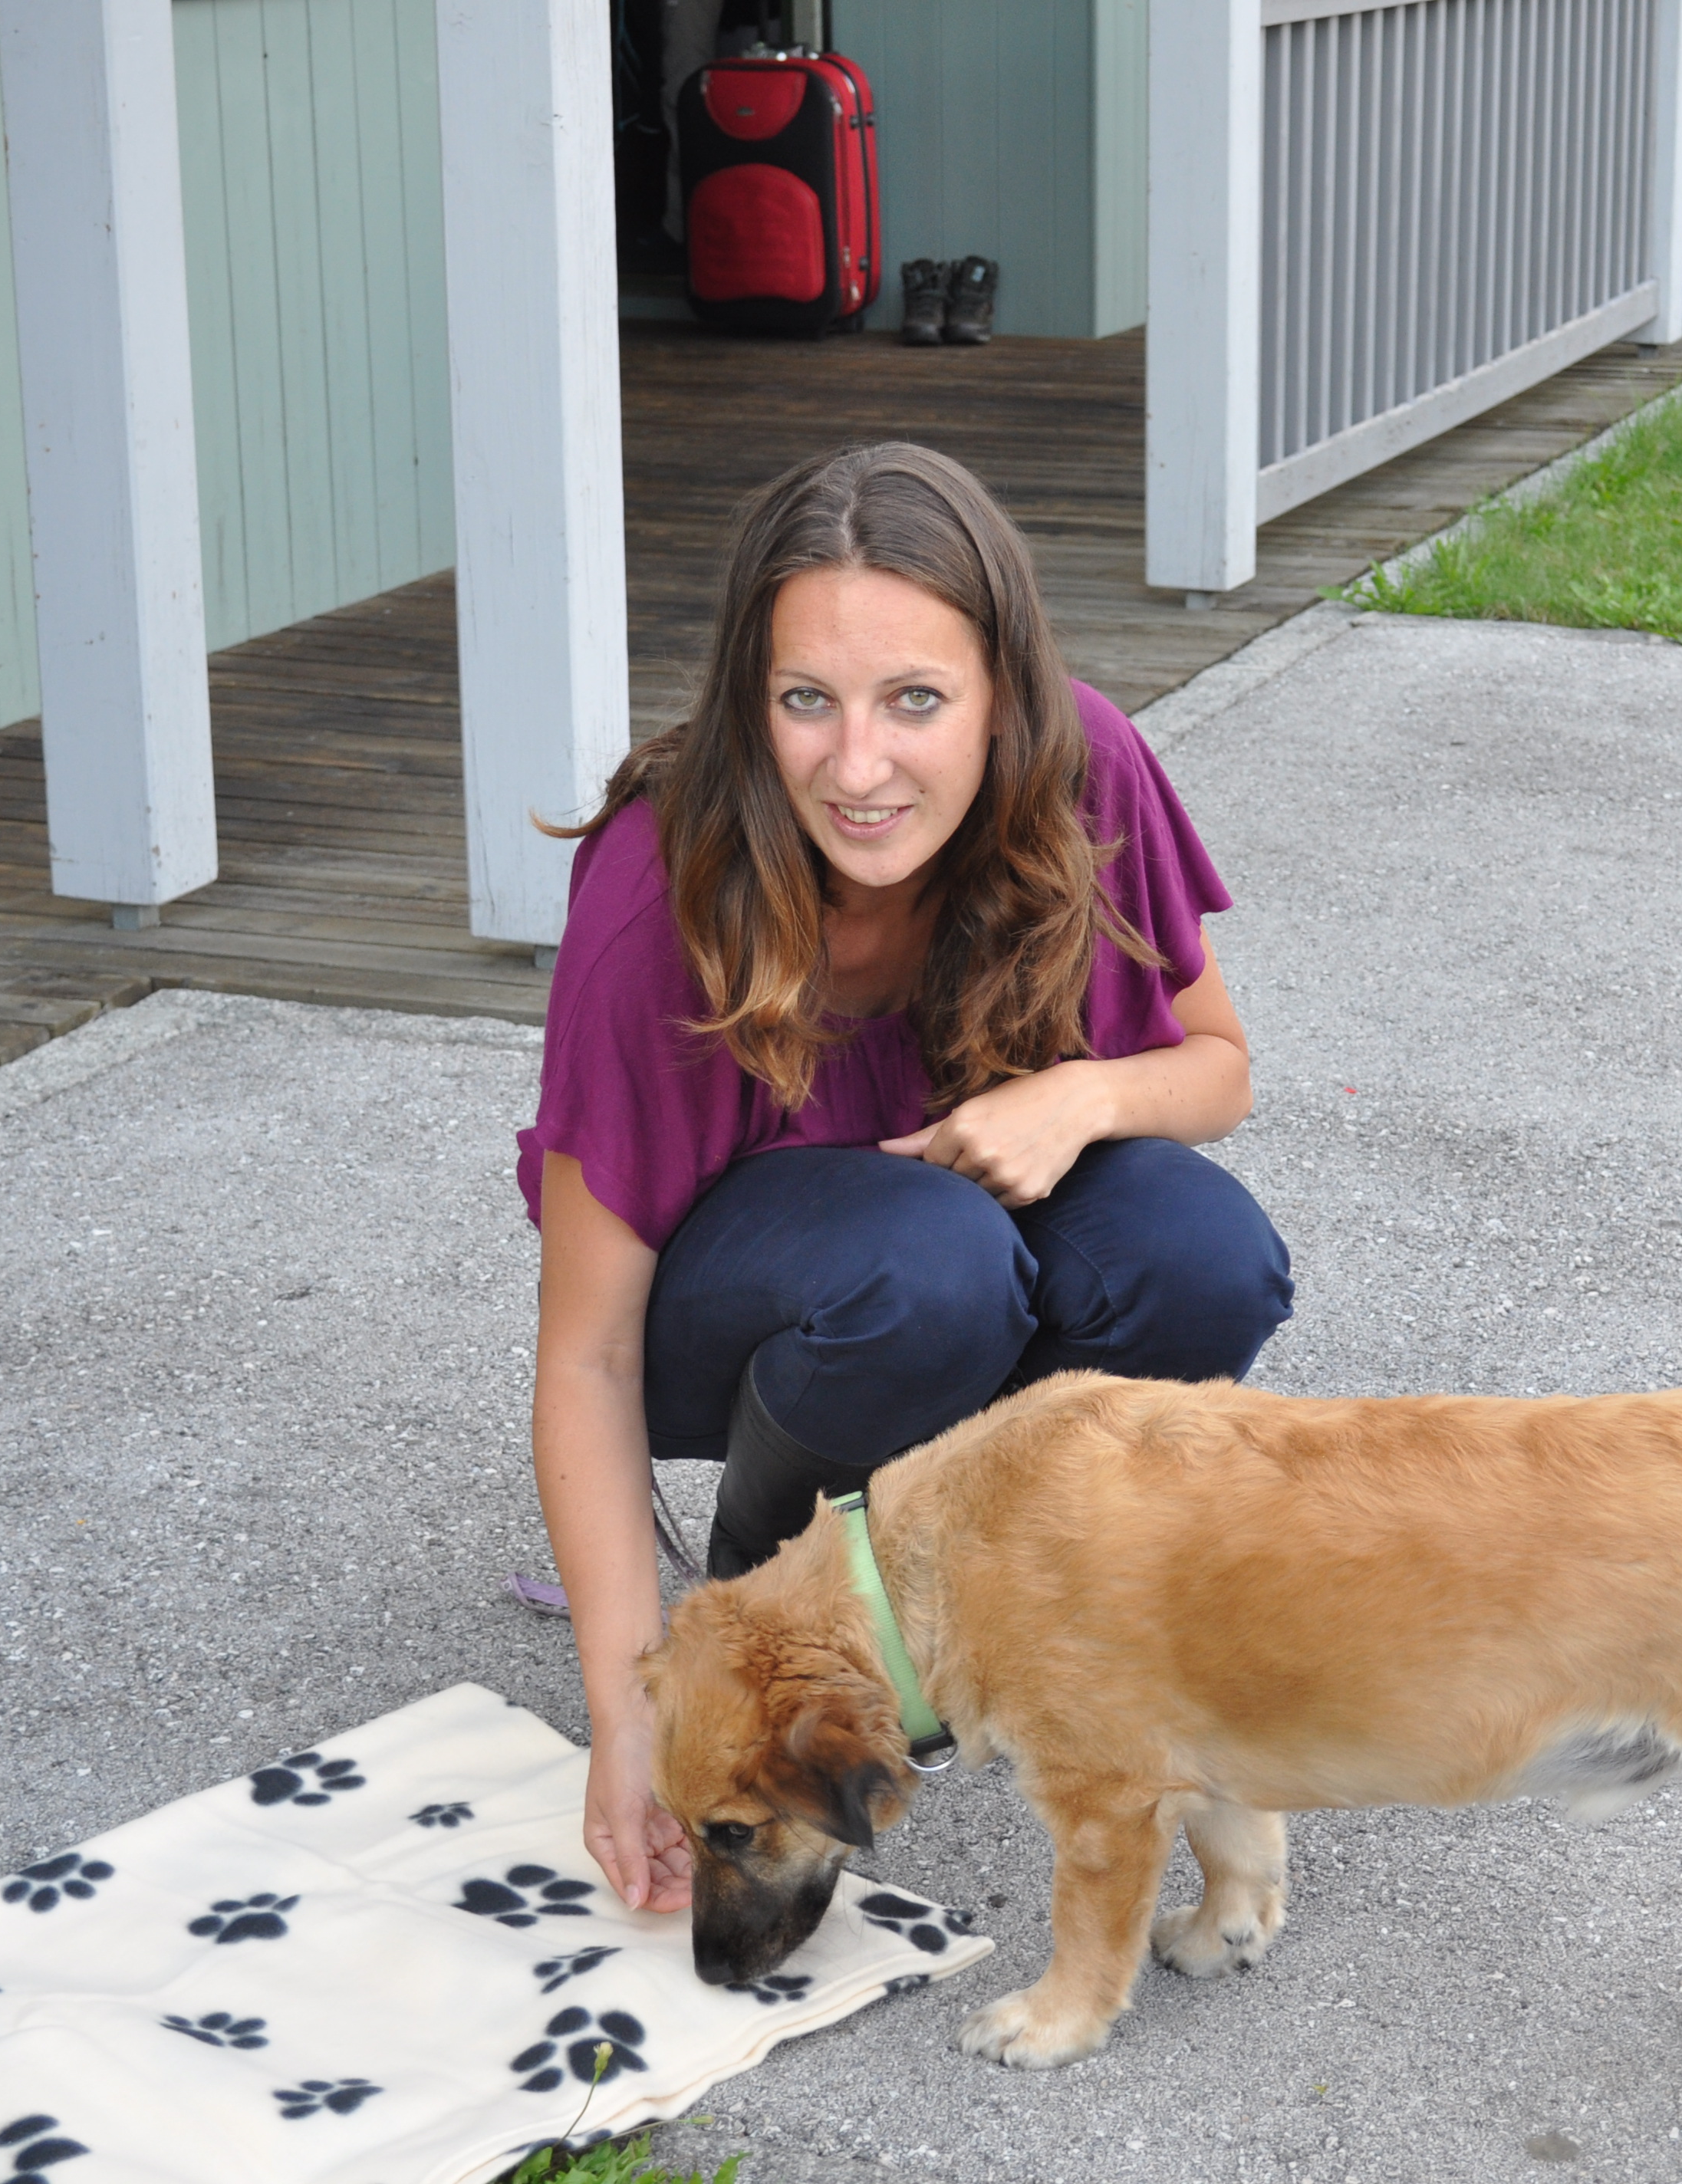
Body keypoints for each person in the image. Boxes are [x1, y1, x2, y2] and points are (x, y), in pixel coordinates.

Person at [515, 442, 1294, 1914]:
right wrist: (635, 1715)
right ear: (751, 701)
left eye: (916, 700)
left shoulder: (1087, 769)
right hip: (739, 1322)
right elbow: (590, 1352)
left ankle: (1002, 1594)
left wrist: (1081, 1095)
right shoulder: (658, 886)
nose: (858, 766)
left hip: (963, 1238)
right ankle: (768, 1569)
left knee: (1204, 1257)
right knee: (929, 1261)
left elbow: (1219, 1064)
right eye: (806, 699)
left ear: (1003, 694)